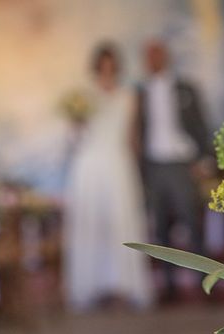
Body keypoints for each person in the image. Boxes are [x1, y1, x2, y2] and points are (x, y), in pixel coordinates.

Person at [64, 42, 154, 310]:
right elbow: (73, 137)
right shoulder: (82, 95)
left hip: (118, 163)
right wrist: (77, 124)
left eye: (111, 65)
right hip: (89, 165)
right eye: (103, 65)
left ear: (116, 66)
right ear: (96, 65)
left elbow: (133, 136)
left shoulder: (129, 94)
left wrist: (138, 167)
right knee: (90, 224)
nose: (107, 70)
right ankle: (89, 287)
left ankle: (125, 286)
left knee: (122, 223)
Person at [133, 40, 212, 300]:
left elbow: (200, 125)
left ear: (166, 57)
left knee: (192, 223)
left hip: (181, 163)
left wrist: (205, 159)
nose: (152, 60)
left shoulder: (184, 88)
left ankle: (204, 282)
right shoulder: (140, 93)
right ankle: (168, 287)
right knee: (161, 229)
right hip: (154, 165)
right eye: (148, 56)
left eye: (157, 54)